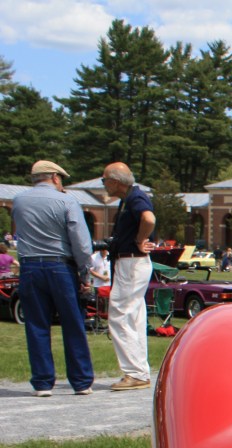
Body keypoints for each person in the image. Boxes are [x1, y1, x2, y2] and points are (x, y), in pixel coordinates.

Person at [11, 160, 95, 396]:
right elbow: (80, 242)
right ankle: (81, 381)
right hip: (60, 266)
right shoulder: (67, 200)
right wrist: (84, 273)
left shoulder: (19, 201)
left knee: (36, 324)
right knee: (72, 323)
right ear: (56, 178)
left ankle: (42, 382)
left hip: (29, 266)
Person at [101, 161, 156, 391]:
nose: (104, 184)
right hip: (131, 263)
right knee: (134, 317)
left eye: (105, 180)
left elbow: (149, 219)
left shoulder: (135, 198)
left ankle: (134, 372)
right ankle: (139, 370)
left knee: (119, 315)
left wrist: (139, 240)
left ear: (115, 181)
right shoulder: (129, 199)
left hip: (131, 262)